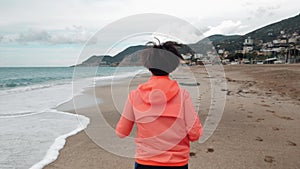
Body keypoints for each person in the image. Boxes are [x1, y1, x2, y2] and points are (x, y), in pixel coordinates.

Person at [116, 41, 202, 169]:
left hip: (145, 162)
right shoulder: (182, 96)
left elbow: (121, 132)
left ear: (148, 65)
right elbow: (195, 134)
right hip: (177, 163)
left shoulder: (135, 96)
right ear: (173, 65)